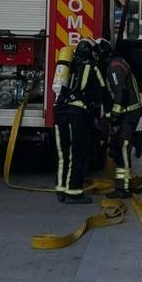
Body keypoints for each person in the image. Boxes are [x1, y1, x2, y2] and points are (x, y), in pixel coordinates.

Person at [53, 35, 107, 203]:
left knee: (63, 153)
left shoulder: (69, 65)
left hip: (59, 113)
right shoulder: (92, 66)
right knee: (77, 154)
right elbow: (103, 91)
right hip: (77, 115)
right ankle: (74, 193)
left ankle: (61, 189)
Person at [102, 40, 142, 197]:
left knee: (123, 149)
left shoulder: (114, 67)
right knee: (118, 148)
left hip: (128, 114)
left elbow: (120, 92)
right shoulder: (118, 62)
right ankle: (137, 138)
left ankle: (123, 189)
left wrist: (115, 115)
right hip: (129, 113)